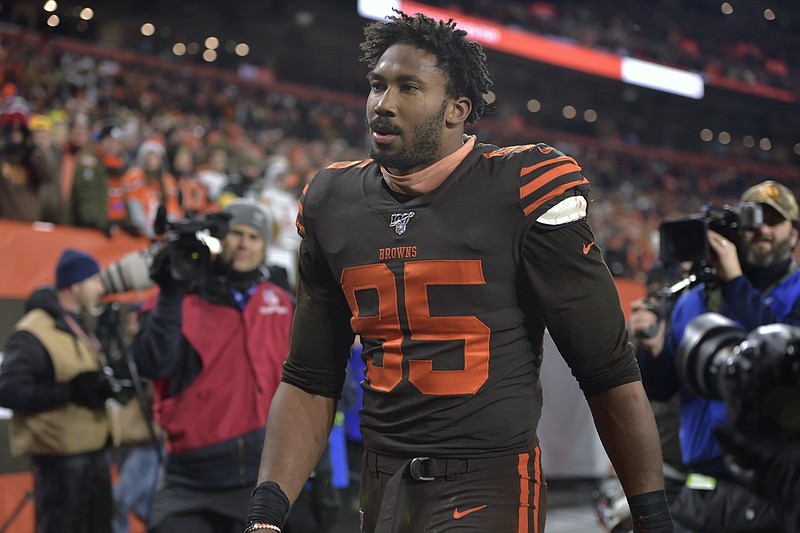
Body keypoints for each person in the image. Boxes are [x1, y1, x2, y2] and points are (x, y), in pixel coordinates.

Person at [245, 11, 670, 533]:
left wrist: (652, 516)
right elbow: (311, 379)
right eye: (377, 85)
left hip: (488, 480)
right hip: (382, 482)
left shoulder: (522, 185)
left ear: (457, 110)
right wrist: (266, 513)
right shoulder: (331, 200)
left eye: (408, 88)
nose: (384, 103)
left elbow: (606, 370)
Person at [637, 180, 800, 532]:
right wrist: (650, 351)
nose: (762, 230)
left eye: (775, 221)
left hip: (777, 490)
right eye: (754, 220)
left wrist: (736, 282)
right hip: (702, 489)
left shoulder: (797, 291)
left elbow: (787, 363)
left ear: (795, 234)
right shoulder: (694, 297)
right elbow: (663, 389)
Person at [132, 198, 294, 532]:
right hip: (188, 478)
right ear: (222, 240)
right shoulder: (180, 298)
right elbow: (153, 364)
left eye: (253, 236)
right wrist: (169, 293)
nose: (244, 243)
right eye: (236, 233)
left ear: (265, 246)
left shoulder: (282, 303)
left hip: (259, 477)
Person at [0, 248, 119, 533]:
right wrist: (70, 391)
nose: (101, 289)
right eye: (95, 280)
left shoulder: (76, 325)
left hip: (92, 455)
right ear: (75, 285)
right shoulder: (33, 331)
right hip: (61, 463)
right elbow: (9, 390)